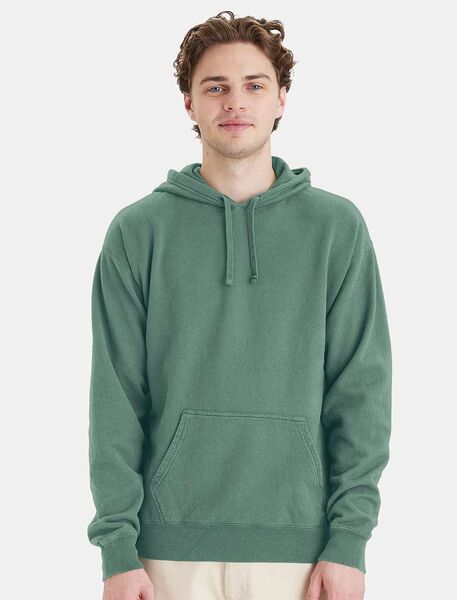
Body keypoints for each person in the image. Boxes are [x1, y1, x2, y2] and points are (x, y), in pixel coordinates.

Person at [87, 10, 392, 600]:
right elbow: (115, 401)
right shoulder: (138, 232)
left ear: (281, 99)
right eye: (215, 87)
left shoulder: (336, 228)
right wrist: (117, 550)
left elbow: (362, 393)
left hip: (303, 555)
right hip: (163, 555)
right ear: (188, 103)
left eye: (254, 85)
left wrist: (349, 541)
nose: (235, 102)